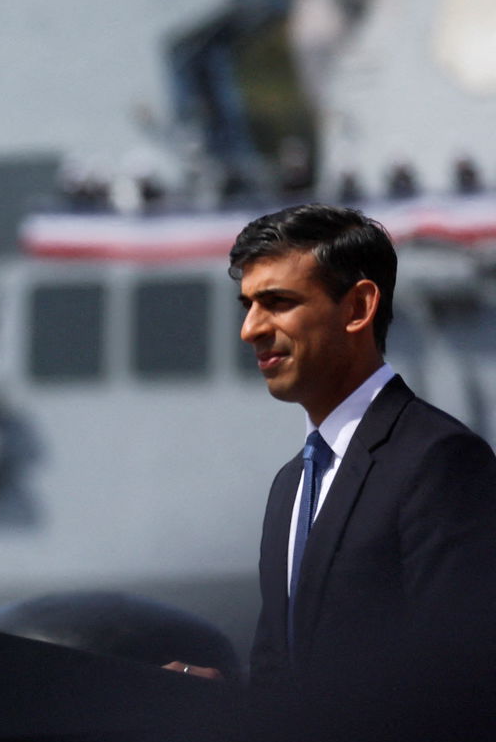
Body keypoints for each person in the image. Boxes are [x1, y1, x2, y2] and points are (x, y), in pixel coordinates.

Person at [210, 203, 496, 690]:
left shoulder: (440, 462)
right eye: (249, 305)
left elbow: (462, 683)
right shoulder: (291, 487)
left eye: (278, 302)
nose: (250, 329)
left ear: (358, 308)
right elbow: (287, 679)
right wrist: (222, 694)